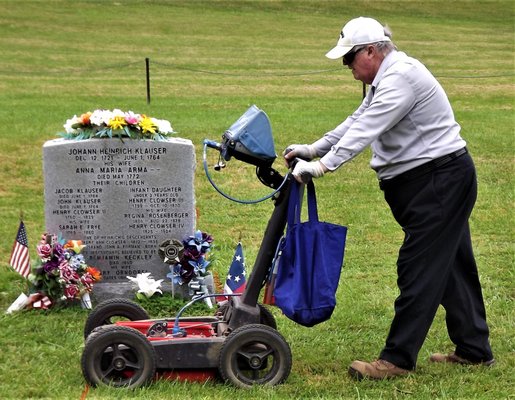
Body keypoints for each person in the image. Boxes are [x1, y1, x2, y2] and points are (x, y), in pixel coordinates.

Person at [284, 16, 494, 380]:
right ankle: (475, 350)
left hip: (437, 182)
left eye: (350, 59)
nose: (347, 67)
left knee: (418, 269)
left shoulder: (400, 77)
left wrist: (322, 167)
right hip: (432, 182)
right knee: (454, 267)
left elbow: (367, 128)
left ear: (370, 50)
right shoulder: (387, 77)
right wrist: (313, 147)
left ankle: (396, 359)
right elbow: (358, 117)